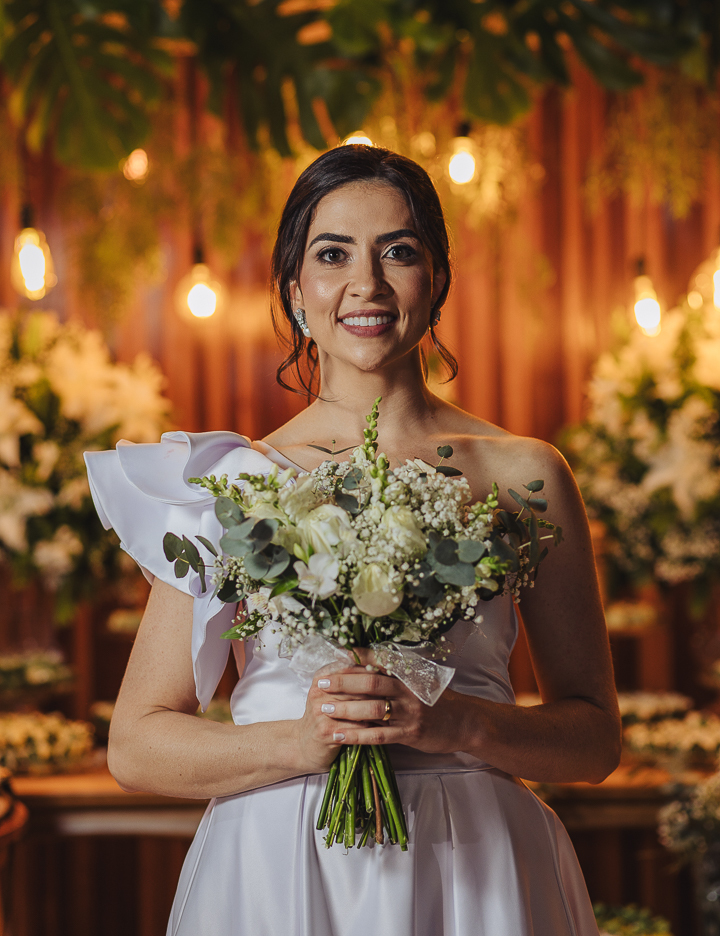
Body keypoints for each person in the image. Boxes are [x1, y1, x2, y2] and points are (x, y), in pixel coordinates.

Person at [85, 145, 620, 936]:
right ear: (295, 289)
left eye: (397, 252)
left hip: (473, 864)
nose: (365, 285)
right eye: (333, 255)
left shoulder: (523, 474)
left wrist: (455, 727)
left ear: (436, 279)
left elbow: (595, 737)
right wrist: (304, 743)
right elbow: (135, 745)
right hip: (276, 866)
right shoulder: (230, 480)